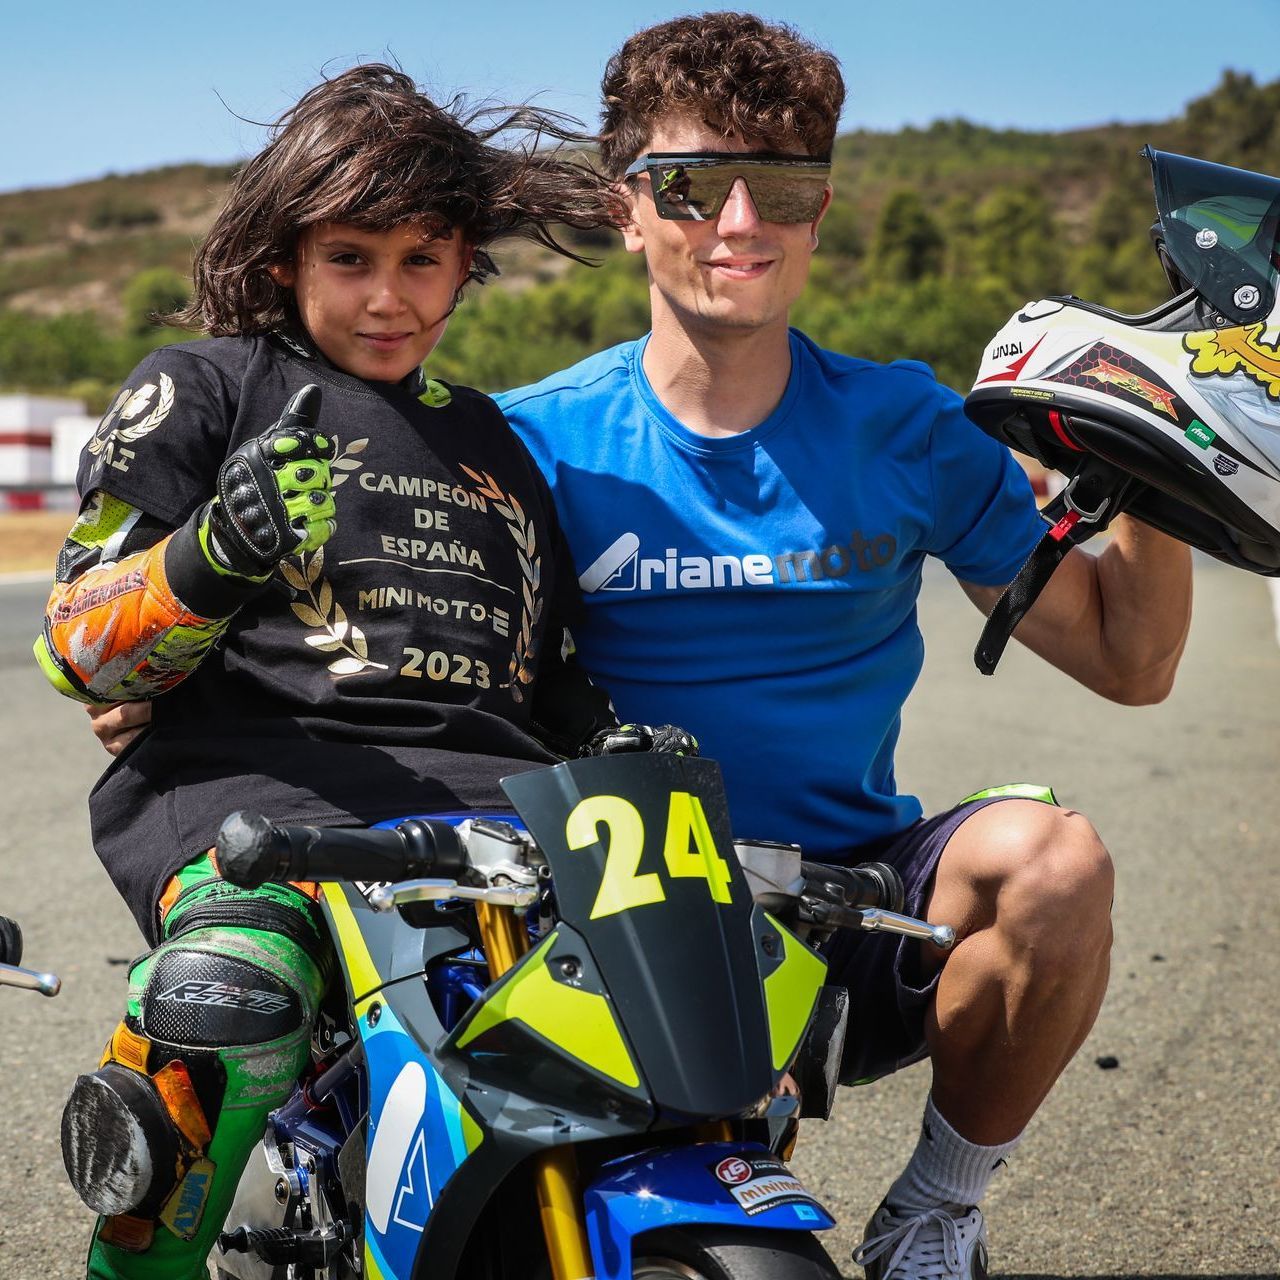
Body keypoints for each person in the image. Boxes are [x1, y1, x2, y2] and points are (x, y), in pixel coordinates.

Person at [85, 16, 1195, 1280]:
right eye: (690, 185)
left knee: (1053, 859)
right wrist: (178, 669)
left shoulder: (910, 425)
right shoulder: (521, 446)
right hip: (599, 903)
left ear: (820, 211)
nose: (738, 222)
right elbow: (348, 631)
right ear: (625, 209)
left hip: (832, 906)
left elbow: (1128, 660)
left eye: (779, 187)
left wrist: (1154, 462)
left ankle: (936, 1209)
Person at [37, 64, 693, 1280]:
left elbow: (540, 673)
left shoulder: (494, 439)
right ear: (285, 256)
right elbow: (77, 648)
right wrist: (216, 551)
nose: (388, 296)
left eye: (421, 260)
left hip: (506, 826)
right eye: (349, 258)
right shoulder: (205, 383)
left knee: (703, 1004)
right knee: (225, 992)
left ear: (464, 264)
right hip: (262, 808)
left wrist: (610, 742)